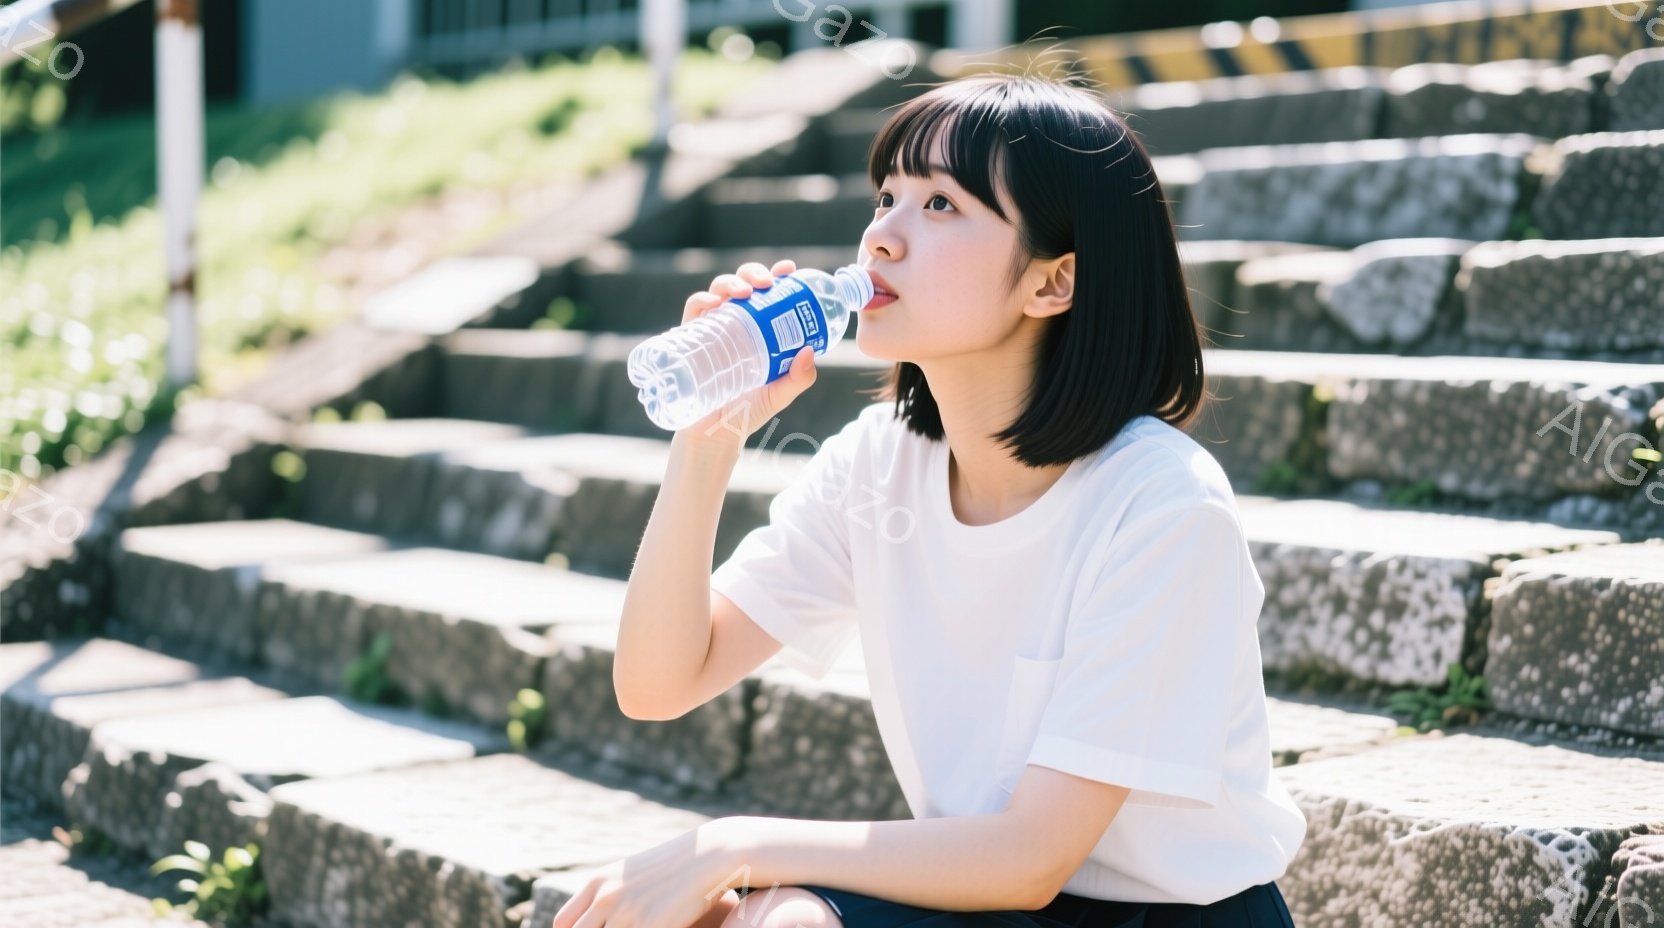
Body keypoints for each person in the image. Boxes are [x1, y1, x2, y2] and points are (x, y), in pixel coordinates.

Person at [585, 70, 1307, 928]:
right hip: (988, 898)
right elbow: (659, 683)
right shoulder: (878, 465)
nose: (881, 238)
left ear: (1053, 282)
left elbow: (1031, 858)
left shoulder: (1162, 507)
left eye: (940, 207)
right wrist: (708, 439)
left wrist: (733, 845)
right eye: (886, 196)